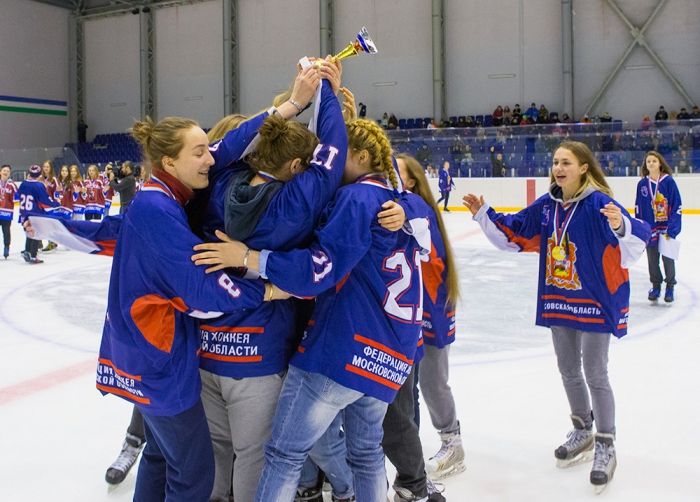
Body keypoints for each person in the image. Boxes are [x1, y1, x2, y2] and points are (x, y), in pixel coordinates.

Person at [192, 118, 431, 502]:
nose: (329, 163)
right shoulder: (395, 199)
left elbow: (319, 269)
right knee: (367, 453)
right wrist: (415, 208)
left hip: (344, 349)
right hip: (390, 355)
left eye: (338, 153)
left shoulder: (356, 199)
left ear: (362, 156)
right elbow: (420, 217)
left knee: (284, 454)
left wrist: (250, 257)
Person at [90, 116, 276, 501]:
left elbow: (226, 147)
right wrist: (269, 289)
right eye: (199, 152)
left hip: (142, 353)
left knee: (160, 456)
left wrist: (288, 107)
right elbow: (202, 290)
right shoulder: (158, 209)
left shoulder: (159, 196)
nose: (210, 158)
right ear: (169, 162)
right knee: (193, 475)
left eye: (208, 148)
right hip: (159, 361)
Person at [463, 141, 651, 494]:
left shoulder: (599, 203)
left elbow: (640, 235)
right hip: (559, 297)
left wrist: (621, 225)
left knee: (595, 372)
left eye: (566, 162)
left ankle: (606, 442)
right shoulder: (548, 205)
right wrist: (484, 212)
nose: (558, 168)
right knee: (568, 369)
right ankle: (582, 429)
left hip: (594, 300)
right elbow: (517, 230)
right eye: (555, 162)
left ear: (583, 167)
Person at [634, 151, 682, 303]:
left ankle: (670, 286)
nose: (651, 164)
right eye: (648, 161)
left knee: (668, 258)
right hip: (650, 229)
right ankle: (655, 286)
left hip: (666, 227)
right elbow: (638, 207)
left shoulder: (668, 182)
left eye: (654, 161)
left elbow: (676, 205)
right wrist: (641, 229)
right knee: (652, 259)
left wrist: (672, 229)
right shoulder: (642, 184)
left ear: (660, 163)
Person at [17, 165, 59, 264]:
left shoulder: (23, 183)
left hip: (24, 212)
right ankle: (33, 255)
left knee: (29, 232)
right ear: (39, 174)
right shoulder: (39, 185)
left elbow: (18, 196)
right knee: (36, 233)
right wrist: (56, 204)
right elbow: (44, 201)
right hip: (35, 213)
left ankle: (27, 251)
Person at [0, 164, 18, 259]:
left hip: (6, 212)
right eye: (4, 170)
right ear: (0, 172)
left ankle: (6, 247)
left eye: (8, 171)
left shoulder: (12, 185)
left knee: (6, 231)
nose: (6, 172)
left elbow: (17, 197)